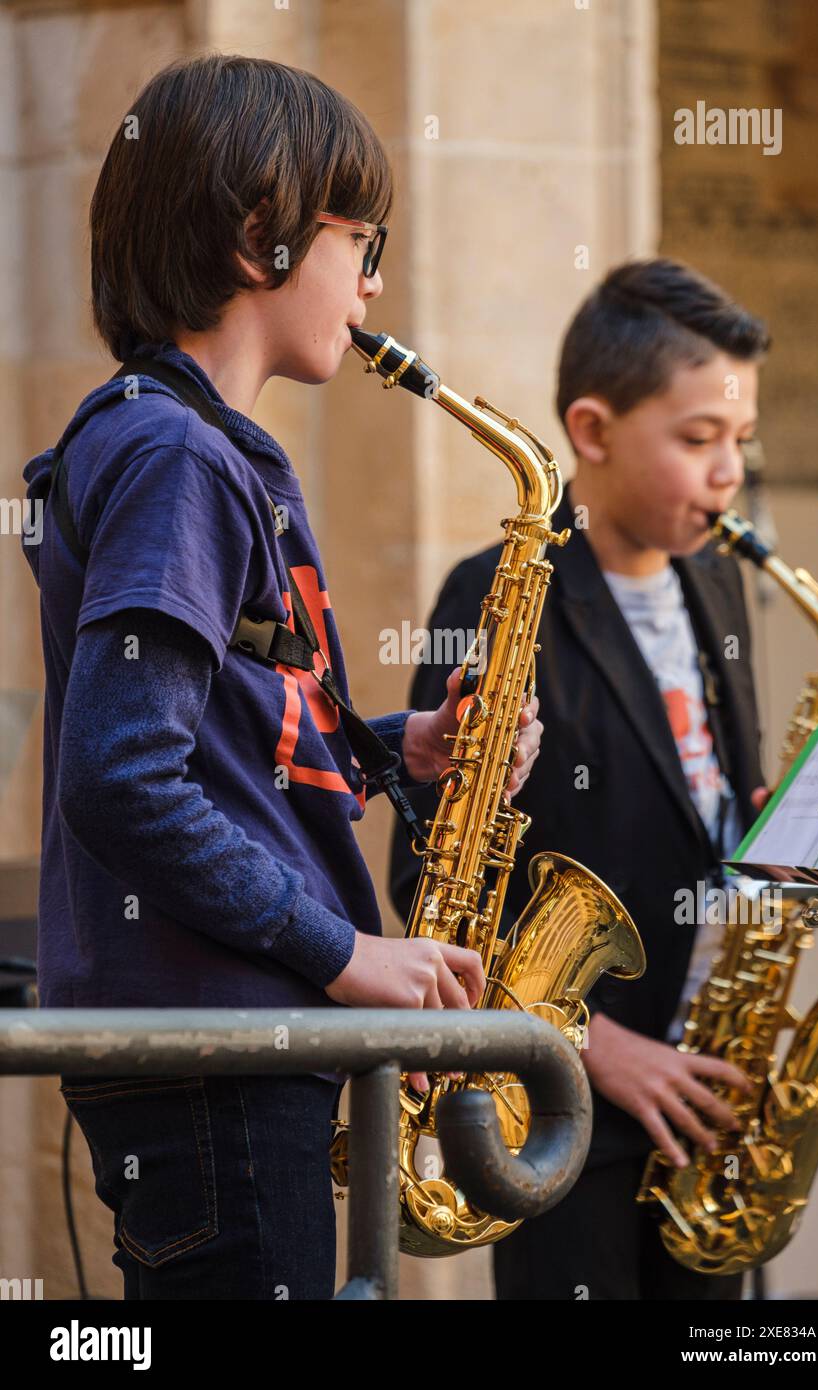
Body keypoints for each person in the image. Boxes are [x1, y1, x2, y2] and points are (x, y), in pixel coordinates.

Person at [20, 53, 543, 1300]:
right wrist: (342, 954)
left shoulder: (181, 446)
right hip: (223, 1046)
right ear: (262, 235)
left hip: (233, 1041)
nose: (375, 287)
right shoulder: (174, 456)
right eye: (360, 245)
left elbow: (210, 734)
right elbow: (123, 776)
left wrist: (387, 749)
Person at [388, 257, 771, 1300]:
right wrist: (598, 1048)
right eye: (696, 440)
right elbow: (425, 874)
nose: (727, 470)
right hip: (565, 1115)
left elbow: (716, 802)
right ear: (592, 431)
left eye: (738, 440)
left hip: (704, 1097)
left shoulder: (719, 583)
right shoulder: (492, 592)